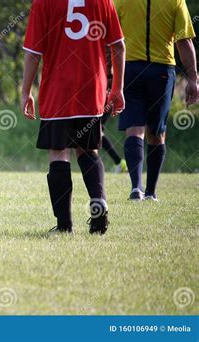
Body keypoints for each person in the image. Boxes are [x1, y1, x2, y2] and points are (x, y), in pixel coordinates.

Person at [22, 0, 125, 235]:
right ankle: (99, 200)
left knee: (58, 151)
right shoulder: (103, 1)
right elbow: (118, 46)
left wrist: (25, 91)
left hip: (57, 90)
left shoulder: (43, 3)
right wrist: (118, 88)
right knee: (88, 150)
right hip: (92, 88)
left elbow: (33, 54)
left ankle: (64, 225)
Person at [114, 0, 197, 201]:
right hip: (161, 71)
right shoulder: (175, 1)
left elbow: (111, 39)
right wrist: (193, 78)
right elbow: (184, 41)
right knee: (157, 132)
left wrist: (108, 73)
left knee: (134, 129)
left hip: (130, 69)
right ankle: (150, 192)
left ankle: (136, 187)